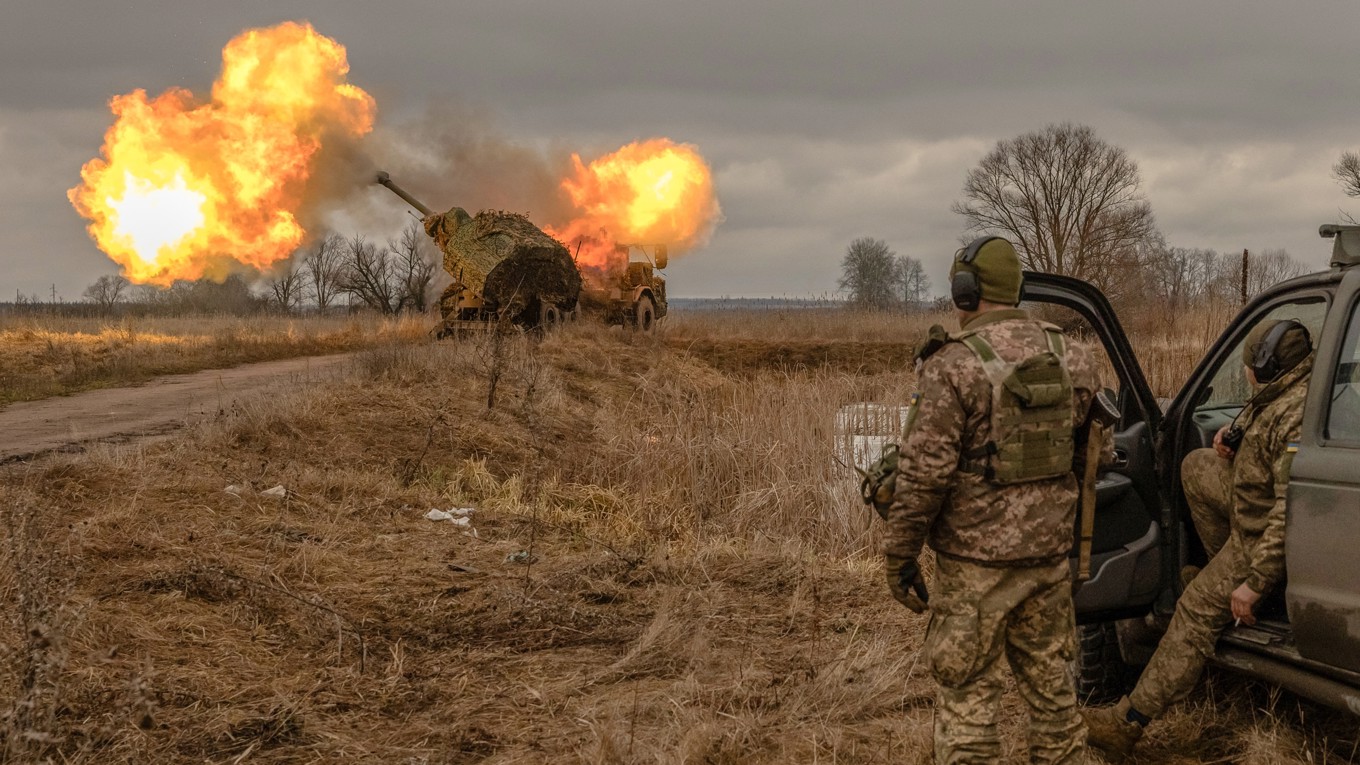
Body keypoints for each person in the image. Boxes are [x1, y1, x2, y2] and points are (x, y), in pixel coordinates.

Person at [884, 236, 1109, 764]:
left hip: (973, 571)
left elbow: (923, 476)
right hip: (1049, 564)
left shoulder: (953, 365)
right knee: (1055, 701)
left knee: (968, 704)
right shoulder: (1074, 358)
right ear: (1017, 288)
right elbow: (1094, 458)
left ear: (965, 291)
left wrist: (900, 555)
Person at [1083, 319, 1313, 758]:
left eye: (1249, 362)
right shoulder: (1289, 391)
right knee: (1195, 465)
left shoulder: (1295, 417)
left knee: (1191, 609)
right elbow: (1263, 448)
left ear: (1265, 366)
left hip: (1261, 537)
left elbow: (1290, 512)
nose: (1246, 371)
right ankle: (1218, 573)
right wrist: (1233, 442)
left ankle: (1127, 721)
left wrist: (1255, 581)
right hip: (1251, 507)